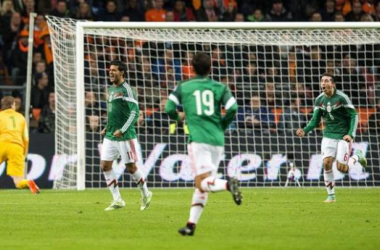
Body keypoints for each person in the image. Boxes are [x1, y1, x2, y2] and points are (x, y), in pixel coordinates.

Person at [165, 52, 242, 236]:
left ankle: (228, 185)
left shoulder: (184, 86)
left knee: (203, 181)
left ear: (191, 67)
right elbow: (233, 108)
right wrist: (222, 125)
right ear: (210, 68)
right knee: (203, 183)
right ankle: (191, 225)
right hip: (217, 139)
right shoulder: (220, 87)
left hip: (198, 140)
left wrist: (178, 116)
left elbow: (168, 108)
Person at [296, 73, 367, 203]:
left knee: (342, 169)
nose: (323, 83)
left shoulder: (342, 98)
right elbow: (315, 119)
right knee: (326, 162)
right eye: (322, 81)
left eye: (327, 81)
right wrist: (305, 130)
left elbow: (354, 116)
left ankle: (357, 156)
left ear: (333, 84)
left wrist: (350, 134)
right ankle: (331, 196)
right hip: (328, 135)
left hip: (342, 136)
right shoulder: (319, 100)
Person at [101, 60, 152, 211]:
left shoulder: (127, 90)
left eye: (114, 70)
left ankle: (146, 193)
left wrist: (122, 130)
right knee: (105, 166)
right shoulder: (110, 90)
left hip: (125, 136)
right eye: (110, 70)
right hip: (111, 135)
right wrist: (106, 127)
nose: (111, 72)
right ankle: (117, 200)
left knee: (130, 168)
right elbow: (113, 113)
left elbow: (135, 112)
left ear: (122, 72)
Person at [0, 96, 40, 194]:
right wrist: (24, 153)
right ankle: (28, 182)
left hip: (2, 144)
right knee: (18, 182)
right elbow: (26, 138)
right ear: (12, 105)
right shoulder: (21, 117)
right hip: (17, 147)